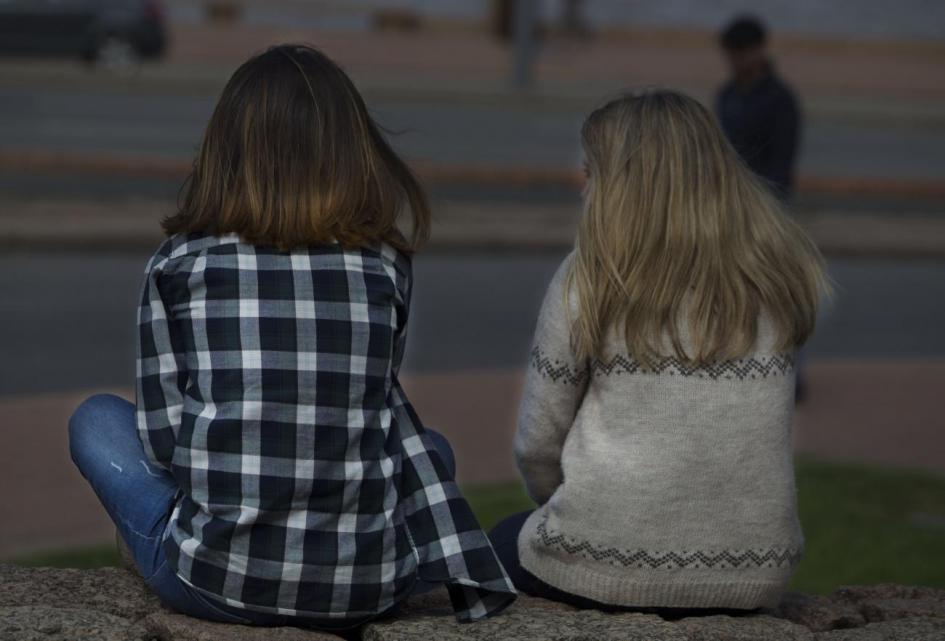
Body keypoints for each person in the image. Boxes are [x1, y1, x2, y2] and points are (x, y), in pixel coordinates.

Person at [68, 44, 515, 631]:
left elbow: (162, 442)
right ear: (352, 151)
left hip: (216, 583)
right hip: (367, 587)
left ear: (224, 151)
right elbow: (371, 404)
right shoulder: (383, 264)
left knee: (97, 420)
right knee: (431, 448)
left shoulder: (177, 264)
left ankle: (167, 543)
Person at [489, 90, 828, 611]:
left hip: (603, 558)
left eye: (591, 175)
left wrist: (570, 508)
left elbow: (537, 444)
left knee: (490, 550)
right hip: (754, 569)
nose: (584, 192)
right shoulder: (774, 276)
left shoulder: (590, 278)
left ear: (624, 188)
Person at [716, 15, 800, 200]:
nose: (737, 60)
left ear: (759, 49)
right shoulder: (726, 95)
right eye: (732, 53)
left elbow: (782, 158)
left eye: (742, 52)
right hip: (730, 192)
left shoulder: (780, 99)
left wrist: (771, 200)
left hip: (765, 196)